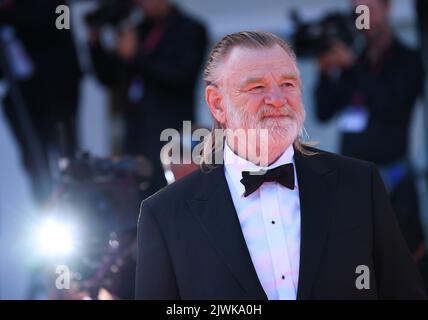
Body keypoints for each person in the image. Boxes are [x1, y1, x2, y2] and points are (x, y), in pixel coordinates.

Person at [135, 31, 425, 299]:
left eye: (287, 84)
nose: (276, 99)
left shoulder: (360, 185)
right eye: (257, 86)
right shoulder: (164, 215)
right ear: (217, 104)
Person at [315, 0, 426, 274]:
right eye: (357, 13)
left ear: (387, 9)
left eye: (369, 11)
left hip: (394, 185)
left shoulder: (408, 60)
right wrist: (325, 70)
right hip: (352, 187)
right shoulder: (353, 59)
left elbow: (392, 103)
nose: (363, 20)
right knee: (356, 268)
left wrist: (352, 68)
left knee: (405, 269)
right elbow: (323, 110)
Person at [89, 0, 207, 194]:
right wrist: (95, 43)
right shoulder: (137, 30)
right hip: (136, 132)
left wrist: (136, 57)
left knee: (171, 194)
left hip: (171, 132)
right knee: (136, 196)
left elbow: (182, 76)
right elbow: (107, 77)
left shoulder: (190, 28)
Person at [0, 0, 82, 204]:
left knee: (68, 158)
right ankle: (46, 207)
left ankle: (78, 208)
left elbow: (51, 15)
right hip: (22, 98)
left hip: (57, 90)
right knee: (34, 162)